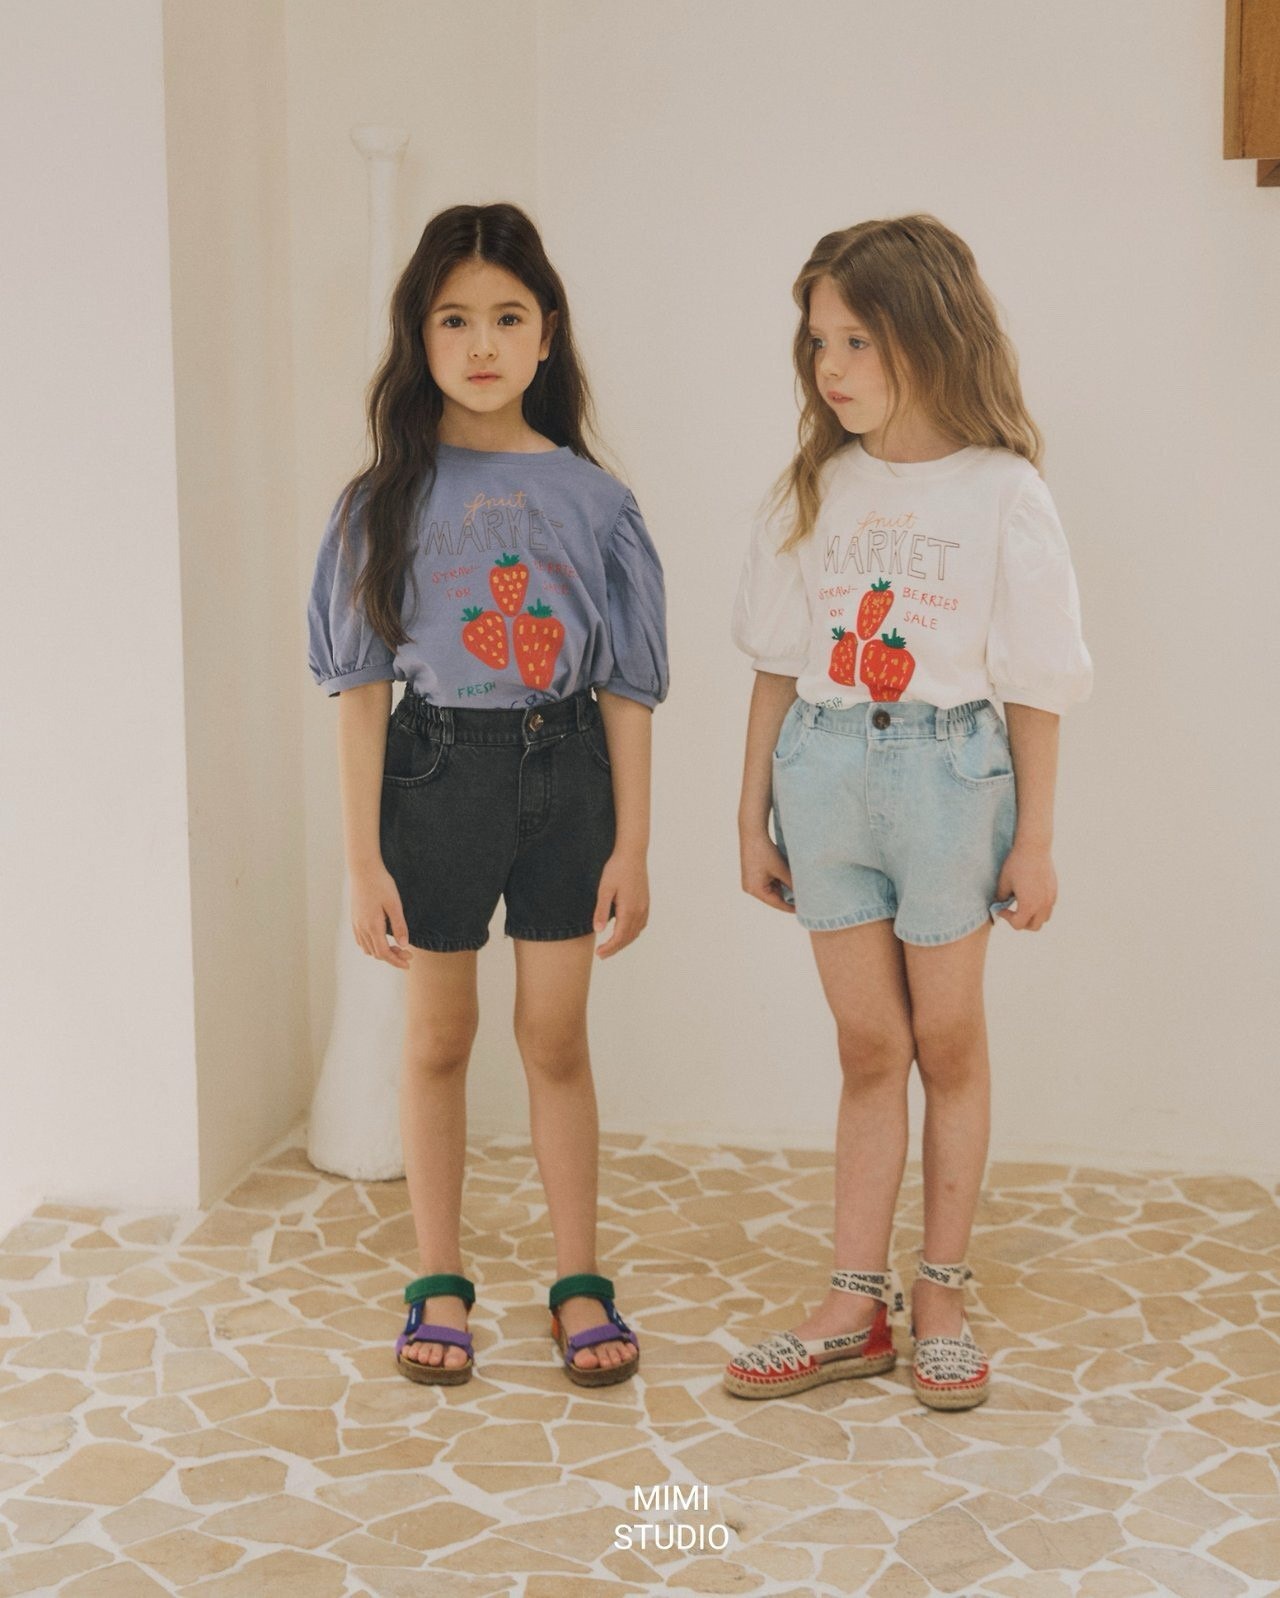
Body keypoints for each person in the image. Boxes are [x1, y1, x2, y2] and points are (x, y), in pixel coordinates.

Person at [726, 214, 1092, 1410]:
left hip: (947, 783)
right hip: (823, 775)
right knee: (867, 1046)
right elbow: (776, 663)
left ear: (928, 337)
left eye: (856, 341)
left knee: (947, 1040)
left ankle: (937, 1289)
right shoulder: (814, 484)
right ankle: (853, 1303)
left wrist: (1034, 838)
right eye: (817, 341)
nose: (828, 367)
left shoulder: (1001, 491)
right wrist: (748, 814)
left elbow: (1035, 681)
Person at [307, 203, 668, 1388]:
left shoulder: (594, 500)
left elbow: (627, 689)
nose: (480, 343)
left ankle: (577, 1277)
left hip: (567, 777)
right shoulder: (381, 500)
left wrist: (633, 845)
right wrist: (361, 859)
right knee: (439, 1036)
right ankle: (438, 1276)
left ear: (545, 334)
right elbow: (359, 691)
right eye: (453, 318)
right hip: (433, 777)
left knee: (554, 1037)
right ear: (418, 335)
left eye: (507, 318)